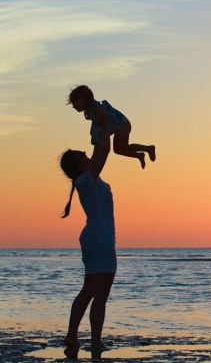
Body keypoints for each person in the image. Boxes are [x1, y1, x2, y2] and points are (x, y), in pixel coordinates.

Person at [59, 107, 116, 354]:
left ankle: (73, 337)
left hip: (95, 237)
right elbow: (103, 150)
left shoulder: (87, 179)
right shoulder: (87, 178)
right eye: (83, 153)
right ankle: (95, 342)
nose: (87, 153)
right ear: (81, 164)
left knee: (90, 290)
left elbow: (101, 151)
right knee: (99, 294)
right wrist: (104, 123)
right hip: (100, 239)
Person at [67, 85, 156, 169]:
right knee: (117, 150)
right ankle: (139, 155)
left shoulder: (95, 109)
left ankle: (148, 148)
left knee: (124, 146)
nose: (73, 106)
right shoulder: (90, 110)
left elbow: (98, 140)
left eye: (74, 103)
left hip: (122, 124)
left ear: (82, 100)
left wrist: (93, 161)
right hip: (118, 125)